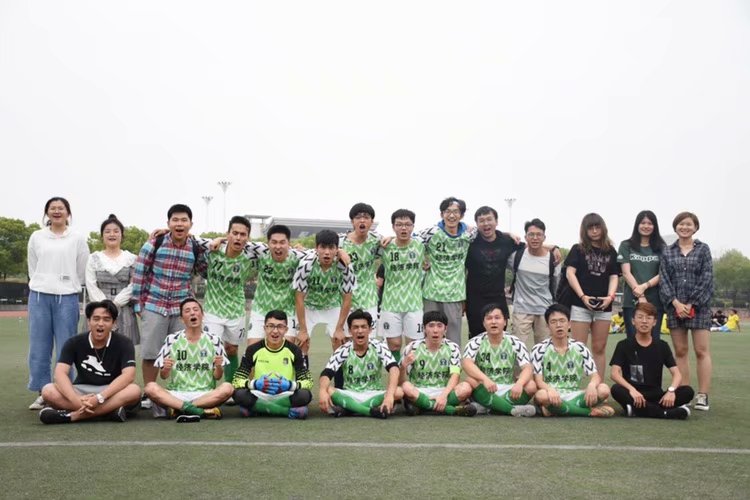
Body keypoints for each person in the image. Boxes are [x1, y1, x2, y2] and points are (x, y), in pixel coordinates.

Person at [132, 204, 208, 408]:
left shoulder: (195, 247)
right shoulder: (154, 243)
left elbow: (205, 270)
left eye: (184, 220)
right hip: (154, 305)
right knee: (151, 353)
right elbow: (139, 272)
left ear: (191, 224)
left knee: (182, 353)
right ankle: (150, 394)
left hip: (181, 308)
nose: (179, 224)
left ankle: (180, 394)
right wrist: (139, 305)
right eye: (175, 220)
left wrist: (209, 246)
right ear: (168, 223)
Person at [27, 197, 90, 410]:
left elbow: (82, 268)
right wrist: (43, 282)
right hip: (39, 296)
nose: (56, 211)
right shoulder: (37, 237)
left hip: (67, 297)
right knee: (39, 347)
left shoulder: (77, 238)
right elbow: (33, 267)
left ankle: (64, 392)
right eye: (52, 208)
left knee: (66, 347)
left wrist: (68, 284)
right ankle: (43, 391)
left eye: (60, 208)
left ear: (67, 213)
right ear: (47, 213)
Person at [38, 300, 141, 424]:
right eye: (96, 319)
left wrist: (99, 397)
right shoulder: (74, 342)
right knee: (48, 390)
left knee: (134, 390)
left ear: (114, 323)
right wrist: (76, 400)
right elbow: (60, 374)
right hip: (81, 391)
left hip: (110, 391)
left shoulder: (125, 343)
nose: (100, 324)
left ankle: (73, 416)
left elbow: (128, 375)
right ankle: (107, 413)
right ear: (88, 322)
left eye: (106, 319)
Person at [659, 211, 714, 411]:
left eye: (689, 224)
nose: (684, 227)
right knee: (680, 352)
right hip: (675, 308)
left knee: (701, 351)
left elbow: (707, 278)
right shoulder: (668, 251)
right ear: (676, 227)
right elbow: (664, 279)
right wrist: (675, 303)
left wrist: (691, 304)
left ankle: (703, 395)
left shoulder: (703, 249)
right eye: (681, 224)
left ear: (695, 227)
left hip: (699, 308)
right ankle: (685, 393)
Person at [144, 298, 231, 422]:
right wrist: (166, 368)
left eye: (196, 310)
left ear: (202, 315)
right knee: (150, 387)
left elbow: (217, 377)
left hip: (204, 394)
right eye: (187, 311)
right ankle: (198, 410)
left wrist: (218, 366)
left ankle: (180, 408)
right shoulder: (172, 339)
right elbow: (163, 376)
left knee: (228, 388)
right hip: (177, 393)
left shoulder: (214, 340)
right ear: (181, 319)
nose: (192, 313)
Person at [609, 302, 693, 419]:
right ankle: (664, 413)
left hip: (657, 396)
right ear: (633, 321)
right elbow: (614, 373)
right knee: (616, 389)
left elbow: (677, 374)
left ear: (654, 322)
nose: (644, 321)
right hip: (634, 395)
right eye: (640, 317)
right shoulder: (623, 345)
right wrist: (632, 389)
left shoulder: (662, 346)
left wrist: (671, 391)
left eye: (648, 318)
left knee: (688, 391)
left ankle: (638, 410)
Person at [531, 304, 614, 417]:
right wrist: (550, 390)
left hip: (574, 394)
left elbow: (595, 376)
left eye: (562, 321)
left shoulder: (580, 347)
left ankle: (555, 409)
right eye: (553, 322)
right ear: (548, 326)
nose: (558, 325)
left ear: (569, 323)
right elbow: (538, 381)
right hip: (550, 393)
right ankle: (588, 412)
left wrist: (591, 385)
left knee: (603, 389)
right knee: (541, 395)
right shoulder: (539, 349)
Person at [563, 213, 620, 377]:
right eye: (590, 228)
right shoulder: (577, 249)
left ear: (603, 228)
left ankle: (598, 386)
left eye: (597, 227)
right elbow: (570, 273)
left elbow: (614, 276)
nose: (594, 231)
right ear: (585, 230)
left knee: (599, 348)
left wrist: (610, 297)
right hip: (580, 305)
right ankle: (572, 385)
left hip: (604, 306)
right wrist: (583, 296)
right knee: (577, 347)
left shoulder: (611, 251)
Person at [318, 309, 402, 418]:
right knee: (327, 389)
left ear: (370, 329)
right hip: (350, 394)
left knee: (399, 392)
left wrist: (389, 396)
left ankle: (349, 409)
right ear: (350, 331)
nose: (360, 331)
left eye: (363, 327)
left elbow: (394, 369)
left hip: (373, 393)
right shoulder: (343, 350)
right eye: (356, 327)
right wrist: (322, 391)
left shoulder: (379, 346)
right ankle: (369, 411)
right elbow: (326, 373)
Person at [231, 310, 313, 419]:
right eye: (270, 326)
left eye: (280, 327)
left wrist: (289, 385)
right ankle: (284, 411)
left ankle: (258, 408)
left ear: (286, 329)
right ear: (264, 328)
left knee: (305, 395)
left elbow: (308, 381)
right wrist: (255, 384)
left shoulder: (295, 350)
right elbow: (237, 380)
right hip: (260, 393)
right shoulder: (252, 349)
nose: (275, 331)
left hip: (284, 394)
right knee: (239, 394)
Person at [202, 216, 254, 383]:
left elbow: (274, 248)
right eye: (235, 233)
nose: (238, 237)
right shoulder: (213, 249)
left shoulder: (250, 258)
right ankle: (207, 389)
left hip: (236, 310)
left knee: (231, 349)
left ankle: (231, 387)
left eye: (243, 234)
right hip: (212, 309)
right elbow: (190, 238)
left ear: (248, 237)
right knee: (211, 350)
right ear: (228, 234)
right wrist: (218, 239)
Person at [418, 197, 476, 346]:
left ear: (461, 215)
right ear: (441, 214)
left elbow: (490, 232)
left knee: (453, 336)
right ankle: (429, 359)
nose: (451, 215)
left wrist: (510, 235)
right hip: (431, 292)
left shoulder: (469, 233)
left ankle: (453, 361)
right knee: (430, 332)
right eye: (447, 211)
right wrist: (422, 260)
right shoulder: (431, 232)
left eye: (455, 212)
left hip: (454, 294)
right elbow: (409, 241)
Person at [462, 304, 537, 416]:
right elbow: (466, 363)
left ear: (505, 322)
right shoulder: (475, 341)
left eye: (497, 318)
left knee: (531, 385)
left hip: (508, 388)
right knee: (470, 380)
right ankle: (511, 409)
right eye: (489, 318)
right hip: (485, 387)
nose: (493, 322)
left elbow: (527, 368)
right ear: (483, 323)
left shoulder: (515, 342)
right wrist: (485, 379)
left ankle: (487, 406)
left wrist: (519, 384)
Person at [294, 229, 356, 363]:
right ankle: (303, 375)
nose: (327, 252)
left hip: (333, 305)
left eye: (331, 248)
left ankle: (340, 377)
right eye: (323, 247)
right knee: (301, 343)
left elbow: (347, 299)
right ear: (316, 248)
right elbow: (299, 298)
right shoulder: (306, 265)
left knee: (340, 342)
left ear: (337, 249)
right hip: (309, 306)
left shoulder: (345, 266)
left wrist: (339, 328)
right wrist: (303, 330)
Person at [400, 311, 476, 416]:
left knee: (466, 388)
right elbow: (401, 382)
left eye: (439, 326)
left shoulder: (453, 347)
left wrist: (443, 396)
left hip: (445, 391)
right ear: (424, 328)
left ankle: (424, 406)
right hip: (420, 392)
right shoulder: (412, 347)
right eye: (431, 326)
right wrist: (403, 366)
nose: (435, 330)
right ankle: (451, 409)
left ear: (445, 329)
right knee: (406, 387)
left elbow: (455, 375)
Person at [465, 206, 525, 339]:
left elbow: (530, 247)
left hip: (498, 298)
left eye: (489, 219)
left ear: (496, 221)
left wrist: (552, 247)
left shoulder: (507, 241)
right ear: (476, 224)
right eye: (481, 221)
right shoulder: (470, 242)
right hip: (475, 300)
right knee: (477, 339)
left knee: (499, 338)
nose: (486, 223)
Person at [246, 225, 309, 346]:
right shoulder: (261, 251)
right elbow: (238, 241)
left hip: (287, 311)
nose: (278, 246)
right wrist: (220, 239)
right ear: (268, 243)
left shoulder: (298, 257)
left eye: (282, 242)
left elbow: (319, 253)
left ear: (289, 244)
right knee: (252, 351)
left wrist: (340, 251)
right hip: (261, 310)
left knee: (286, 351)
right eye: (274, 242)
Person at [379, 209, 425, 362]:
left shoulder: (421, 244)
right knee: (394, 344)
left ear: (413, 227)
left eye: (407, 224)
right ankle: (396, 374)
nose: (403, 228)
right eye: (399, 225)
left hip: (414, 303)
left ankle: (410, 375)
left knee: (413, 345)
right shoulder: (384, 246)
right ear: (393, 227)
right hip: (390, 303)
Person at [85, 214, 139, 345]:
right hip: (98, 309)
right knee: (96, 349)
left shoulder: (132, 259)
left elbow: (134, 284)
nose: (112, 234)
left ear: (122, 235)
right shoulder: (93, 258)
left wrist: (116, 303)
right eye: (107, 231)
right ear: (102, 236)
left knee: (123, 349)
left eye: (116, 231)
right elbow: (90, 284)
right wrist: (104, 306)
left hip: (124, 309)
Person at [509, 218, 561, 347]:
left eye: (539, 235)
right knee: (517, 349)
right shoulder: (516, 256)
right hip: (521, 309)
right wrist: (509, 234)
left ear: (544, 237)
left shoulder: (553, 260)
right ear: (525, 237)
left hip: (544, 310)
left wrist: (554, 248)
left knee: (544, 350)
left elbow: (556, 286)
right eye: (531, 234)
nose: (535, 238)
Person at [617, 210, 666, 341]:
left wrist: (644, 286)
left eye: (650, 223)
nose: (646, 226)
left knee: (654, 342)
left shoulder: (662, 247)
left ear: (654, 226)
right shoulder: (626, 245)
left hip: (655, 302)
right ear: (637, 225)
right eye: (643, 223)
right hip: (631, 302)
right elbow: (626, 272)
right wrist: (640, 295)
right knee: (633, 341)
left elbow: (663, 273)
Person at [339, 203, 384, 330]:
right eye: (358, 217)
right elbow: (321, 252)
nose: (362, 220)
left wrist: (391, 238)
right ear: (352, 221)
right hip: (345, 296)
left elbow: (394, 245)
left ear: (371, 222)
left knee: (369, 335)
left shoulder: (376, 240)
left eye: (366, 217)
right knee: (345, 336)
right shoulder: (340, 242)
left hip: (369, 297)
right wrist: (339, 251)